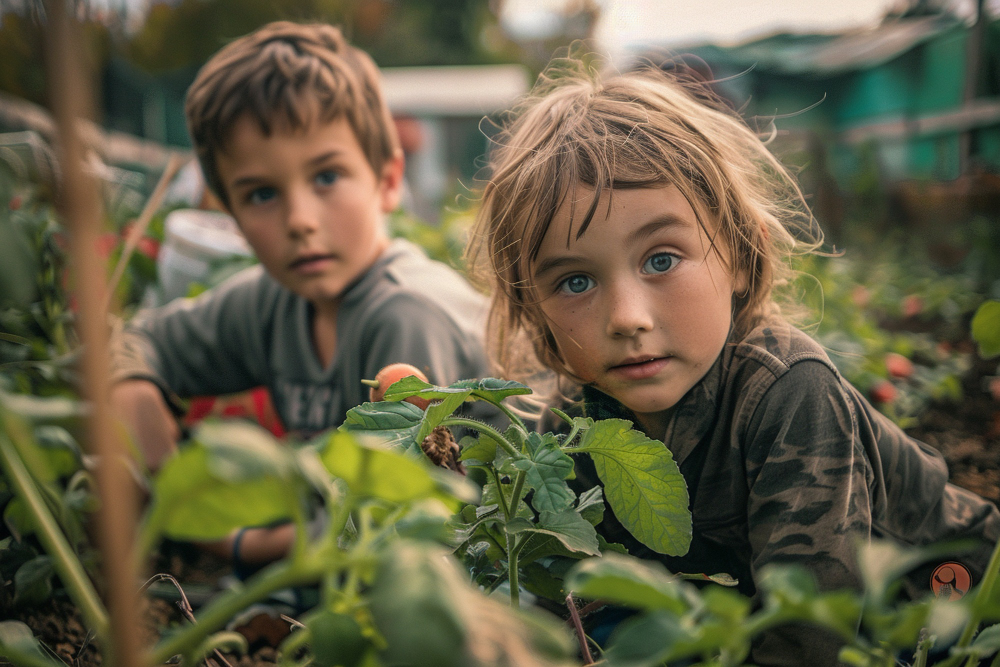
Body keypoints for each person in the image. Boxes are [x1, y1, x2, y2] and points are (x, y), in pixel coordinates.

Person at [465, 58, 1000, 666]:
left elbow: (810, 634)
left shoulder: (787, 393)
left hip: (947, 598)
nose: (626, 317)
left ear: (741, 256)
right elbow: (552, 603)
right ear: (533, 309)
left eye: (661, 260)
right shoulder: (565, 430)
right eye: (576, 281)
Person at [111, 21, 496, 569]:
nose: (299, 221)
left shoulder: (406, 316)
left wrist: (237, 543)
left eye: (327, 177)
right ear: (231, 212)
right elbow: (137, 338)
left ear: (387, 180)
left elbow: (410, 518)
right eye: (262, 193)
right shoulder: (271, 301)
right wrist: (135, 389)